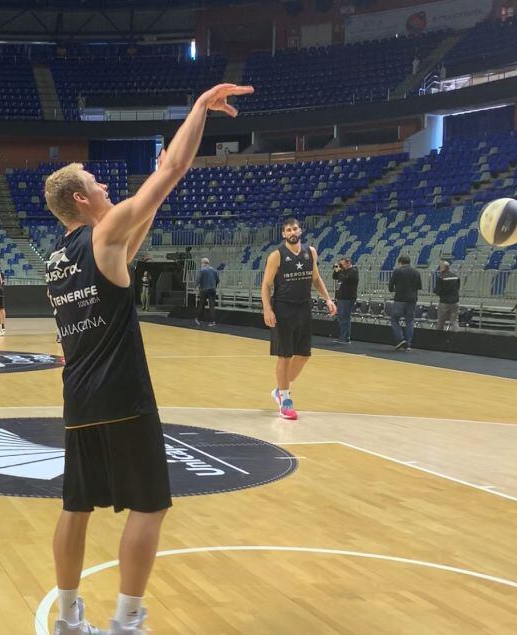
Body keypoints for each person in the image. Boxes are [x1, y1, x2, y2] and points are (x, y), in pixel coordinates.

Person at [43, 83, 254, 635]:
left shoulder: (59, 259)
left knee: (76, 505)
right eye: (97, 182)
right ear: (83, 200)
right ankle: (128, 621)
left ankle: (68, 618)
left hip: (79, 397)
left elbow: (134, 235)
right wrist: (198, 110)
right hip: (122, 394)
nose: (107, 185)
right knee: (150, 505)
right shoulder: (103, 233)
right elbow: (177, 168)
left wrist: (153, 198)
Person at [261, 217, 337, 421]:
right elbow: (266, 285)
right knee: (284, 356)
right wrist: (267, 309)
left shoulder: (310, 252)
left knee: (303, 355)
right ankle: (285, 400)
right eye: (288, 230)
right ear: (283, 234)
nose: (292, 232)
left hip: (303, 307)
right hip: (282, 308)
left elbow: (316, 278)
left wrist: (328, 299)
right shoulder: (276, 256)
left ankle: (280, 388)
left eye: (295, 228)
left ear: (300, 231)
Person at [388, 254, 421, 351]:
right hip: (412, 300)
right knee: (410, 321)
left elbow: (390, 287)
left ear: (400, 262)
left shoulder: (397, 271)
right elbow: (419, 286)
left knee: (394, 319)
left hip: (400, 299)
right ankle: (409, 343)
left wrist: (395, 289)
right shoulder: (416, 272)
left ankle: (400, 339)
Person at [331, 256, 358, 344]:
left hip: (348, 297)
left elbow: (345, 279)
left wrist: (339, 270)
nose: (341, 266)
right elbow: (335, 277)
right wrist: (336, 269)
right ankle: (342, 336)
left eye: (342, 264)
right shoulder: (343, 271)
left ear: (348, 263)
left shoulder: (353, 271)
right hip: (341, 297)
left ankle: (345, 337)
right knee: (341, 317)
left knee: (345, 317)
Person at [434, 260, 460, 331]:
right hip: (455, 301)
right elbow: (458, 288)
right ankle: (457, 337)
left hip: (444, 302)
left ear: (443, 268)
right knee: (454, 321)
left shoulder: (441, 277)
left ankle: (438, 337)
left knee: (441, 321)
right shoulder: (455, 277)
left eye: (440, 267)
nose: (439, 269)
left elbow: (438, 291)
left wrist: (436, 292)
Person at [195, 258, 219, 326]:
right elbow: (218, 280)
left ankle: (198, 319)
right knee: (212, 306)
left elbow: (198, 279)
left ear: (203, 263)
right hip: (212, 290)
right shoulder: (214, 270)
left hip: (204, 290)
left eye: (201, 263)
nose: (201, 264)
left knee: (201, 304)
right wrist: (214, 286)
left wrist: (196, 286)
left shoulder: (201, 270)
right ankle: (212, 321)